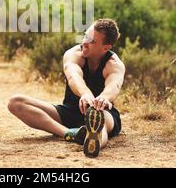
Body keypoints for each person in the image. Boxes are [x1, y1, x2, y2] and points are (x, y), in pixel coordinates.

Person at [8, 19, 125, 157]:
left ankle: (94, 140)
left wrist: (104, 98)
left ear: (106, 47)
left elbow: (114, 85)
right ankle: (71, 134)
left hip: (101, 113)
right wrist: (85, 93)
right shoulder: (74, 54)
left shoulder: (114, 64)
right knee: (15, 102)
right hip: (69, 111)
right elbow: (73, 76)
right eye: (85, 35)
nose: (84, 42)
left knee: (99, 121)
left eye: (91, 41)